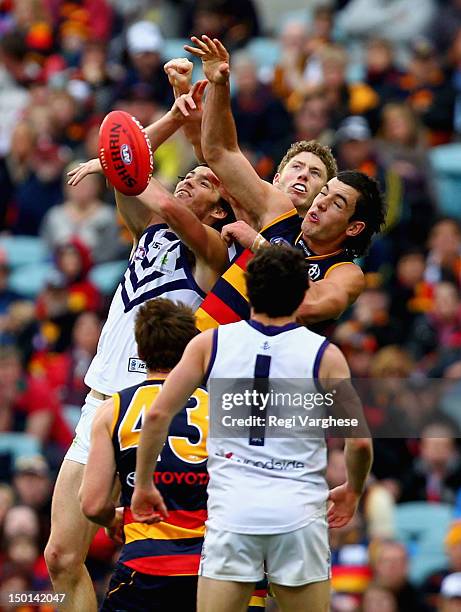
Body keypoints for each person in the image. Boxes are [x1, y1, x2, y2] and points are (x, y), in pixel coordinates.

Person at [44, 64, 232, 612]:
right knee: (59, 556)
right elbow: (128, 166)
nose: (191, 178)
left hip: (158, 407)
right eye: (189, 174)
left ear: (219, 210)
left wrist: (154, 133)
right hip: (102, 400)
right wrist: (166, 120)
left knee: (169, 562)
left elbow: (129, 167)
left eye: (206, 181)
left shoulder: (213, 255)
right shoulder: (148, 232)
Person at [132, 246, 373, 612]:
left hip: (234, 513)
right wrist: (353, 490)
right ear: (303, 293)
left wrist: (145, 483)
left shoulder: (210, 343)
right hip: (298, 516)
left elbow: (156, 416)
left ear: (248, 289)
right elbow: (359, 444)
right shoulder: (324, 355)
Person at [185, 36, 386, 332]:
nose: (322, 201)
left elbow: (306, 305)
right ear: (277, 177)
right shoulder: (277, 214)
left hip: (257, 373)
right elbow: (217, 152)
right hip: (198, 347)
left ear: (353, 227)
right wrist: (219, 84)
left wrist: (259, 245)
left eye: (336, 202)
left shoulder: (345, 272)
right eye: (327, 195)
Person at [80, 297, 266, 611]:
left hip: (148, 569)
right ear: (191, 348)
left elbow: (93, 503)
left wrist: (117, 518)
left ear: (139, 351)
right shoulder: (225, 406)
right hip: (219, 565)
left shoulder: (114, 409)